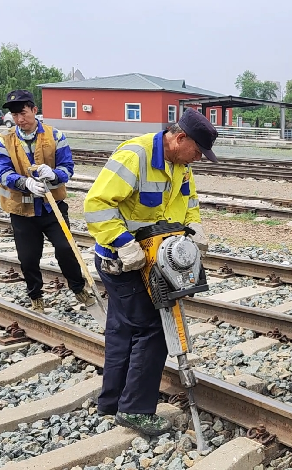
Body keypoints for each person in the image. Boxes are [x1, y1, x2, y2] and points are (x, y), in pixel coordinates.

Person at [83, 108, 216, 436]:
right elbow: (96, 204)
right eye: (197, 150)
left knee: (122, 329)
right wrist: (123, 242)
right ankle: (135, 410)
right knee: (152, 330)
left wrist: (194, 227)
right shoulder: (135, 156)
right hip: (123, 260)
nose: (198, 158)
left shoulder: (181, 165)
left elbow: (190, 202)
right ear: (180, 138)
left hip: (155, 259)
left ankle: (112, 402)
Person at [0, 89, 96, 314]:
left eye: (23, 113)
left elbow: (67, 169)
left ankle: (78, 288)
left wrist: (54, 174)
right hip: (22, 211)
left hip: (52, 207)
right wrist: (25, 183)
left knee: (65, 248)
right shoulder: (5, 141)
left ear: (34, 110)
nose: (20, 120)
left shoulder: (55, 136)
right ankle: (36, 296)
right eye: (15, 115)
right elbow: (2, 174)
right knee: (28, 257)